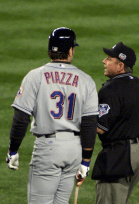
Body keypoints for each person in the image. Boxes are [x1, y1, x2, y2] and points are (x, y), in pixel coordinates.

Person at [5, 27, 99, 203]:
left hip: (47, 148)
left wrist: (13, 150)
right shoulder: (86, 80)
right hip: (74, 150)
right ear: (71, 50)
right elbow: (89, 123)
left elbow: (21, 118)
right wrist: (85, 162)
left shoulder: (35, 76)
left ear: (50, 50)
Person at [91, 42, 139, 204]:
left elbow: (100, 128)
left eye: (108, 58)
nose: (103, 61)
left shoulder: (110, 89)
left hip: (119, 156)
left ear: (120, 66)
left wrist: (76, 121)